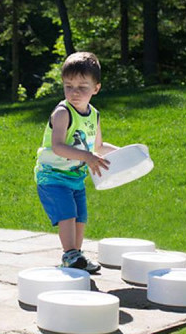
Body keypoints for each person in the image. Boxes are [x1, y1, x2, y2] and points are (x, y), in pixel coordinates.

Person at [34, 52, 118, 273]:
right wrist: (87, 157)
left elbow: (97, 147)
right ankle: (69, 254)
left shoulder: (94, 115)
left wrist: (124, 153)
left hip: (75, 178)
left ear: (96, 88)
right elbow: (58, 146)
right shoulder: (63, 113)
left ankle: (76, 255)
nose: (74, 92)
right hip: (52, 176)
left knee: (80, 218)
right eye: (68, 86)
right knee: (68, 215)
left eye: (82, 87)